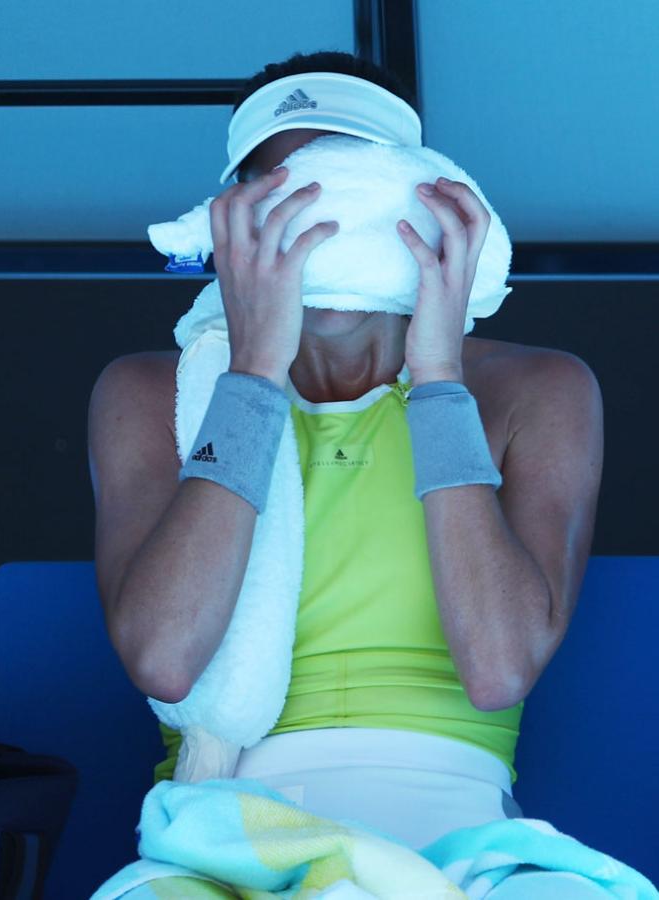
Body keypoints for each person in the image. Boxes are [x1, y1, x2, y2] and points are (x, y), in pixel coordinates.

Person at [88, 51, 607, 897]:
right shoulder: (153, 392)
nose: (319, 230)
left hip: (463, 841)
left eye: (345, 195)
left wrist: (439, 375)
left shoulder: (534, 390)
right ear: (232, 227)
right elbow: (166, 659)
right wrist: (253, 369)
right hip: (222, 839)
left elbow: (498, 668)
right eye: (283, 199)